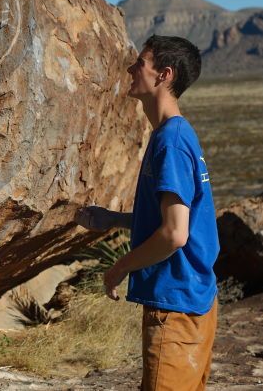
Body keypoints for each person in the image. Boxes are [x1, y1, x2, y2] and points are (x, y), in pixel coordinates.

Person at [75, 35, 219, 391]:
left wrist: (119, 268)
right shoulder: (174, 135)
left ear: (163, 75)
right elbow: (176, 216)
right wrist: (115, 219)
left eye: (140, 63)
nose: (130, 68)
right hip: (190, 299)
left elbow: (174, 234)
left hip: (175, 305)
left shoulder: (171, 141)